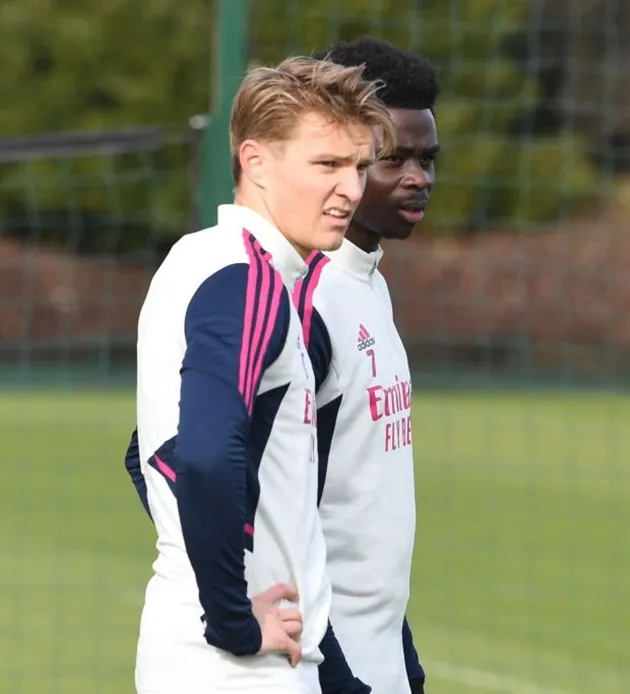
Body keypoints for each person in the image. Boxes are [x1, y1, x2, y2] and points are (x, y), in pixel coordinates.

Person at [128, 55, 395, 694]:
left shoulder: (205, 260)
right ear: (255, 162)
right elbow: (202, 460)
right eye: (325, 165)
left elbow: (148, 455)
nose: (352, 189)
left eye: (358, 167)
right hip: (237, 666)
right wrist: (231, 618)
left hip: (211, 652)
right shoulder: (245, 280)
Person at [298, 37, 440, 694]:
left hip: (379, 661)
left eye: (427, 159)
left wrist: (402, 661)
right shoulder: (307, 302)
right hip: (321, 671)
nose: (419, 178)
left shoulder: (368, 286)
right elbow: (237, 493)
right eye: (395, 159)